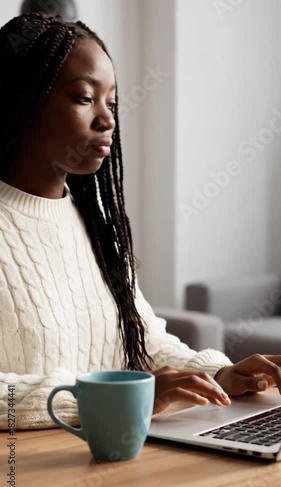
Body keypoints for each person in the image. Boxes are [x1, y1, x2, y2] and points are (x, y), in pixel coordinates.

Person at [0, 12, 280, 430]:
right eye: (83, 98)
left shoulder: (96, 229)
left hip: (121, 457)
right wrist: (120, 397)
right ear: (23, 99)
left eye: (111, 102)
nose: (107, 119)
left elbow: (143, 340)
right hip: (24, 476)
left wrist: (219, 374)